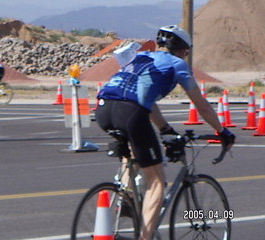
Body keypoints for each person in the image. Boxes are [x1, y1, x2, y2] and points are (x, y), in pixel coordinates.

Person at [95, 25, 235, 240]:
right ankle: (144, 236)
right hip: (130, 112)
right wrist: (222, 131)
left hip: (104, 108)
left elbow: (145, 100)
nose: (185, 56)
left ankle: (127, 197)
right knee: (157, 181)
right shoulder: (177, 64)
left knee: (134, 156)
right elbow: (202, 106)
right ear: (180, 49)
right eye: (186, 52)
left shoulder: (140, 58)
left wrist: (165, 129)